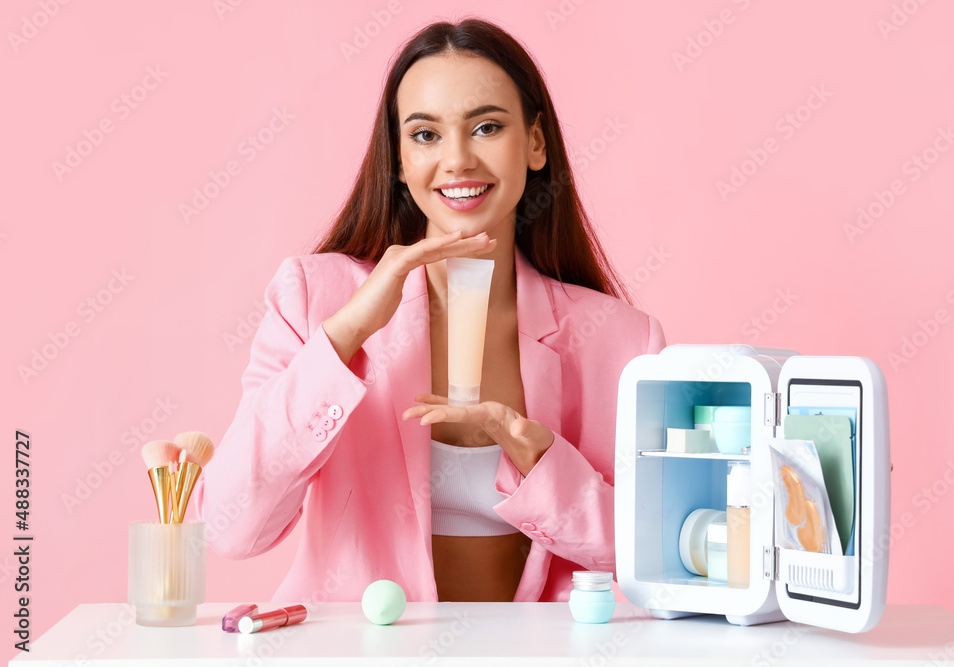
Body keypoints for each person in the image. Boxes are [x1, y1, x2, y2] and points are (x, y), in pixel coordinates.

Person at [192, 17, 666, 604]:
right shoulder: (314, 299)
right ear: (397, 158)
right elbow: (230, 528)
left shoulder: (619, 342)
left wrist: (545, 467)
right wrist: (347, 334)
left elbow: (660, 554)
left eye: (487, 127)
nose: (458, 160)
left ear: (536, 143)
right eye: (425, 135)